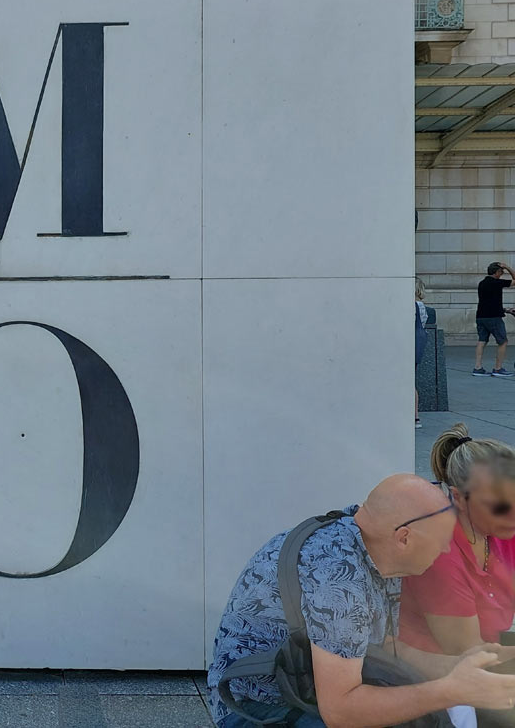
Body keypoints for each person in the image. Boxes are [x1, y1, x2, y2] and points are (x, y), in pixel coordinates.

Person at [208, 474, 515, 727]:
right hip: (257, 709)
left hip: (306, 688)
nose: (446, 550)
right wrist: (449, 690)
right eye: (442, 539)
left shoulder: (377, 544)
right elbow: (342, 712)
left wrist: (456, 666)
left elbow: (386, 649)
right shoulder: (338, 578)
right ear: (404, 538)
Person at [400, 426, 515, 725]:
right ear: (458, 498)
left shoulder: (501, 530)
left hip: (490, 654)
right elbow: (468, 653)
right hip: (444, 673)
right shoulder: (440, 553)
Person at [474, 262, 515, 377]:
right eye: (501, 272)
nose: (502, 274)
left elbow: (488, 302)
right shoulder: (497, 282)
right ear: (497, 272)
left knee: (482, 341)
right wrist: (507, 267)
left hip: (481, 316)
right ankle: (498, 368)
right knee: (503, 341)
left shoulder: (482, 283)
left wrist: (505, 310)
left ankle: (477, 368)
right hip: (494, 318)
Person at [416, 278, 429, 429]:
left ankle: (415, 416)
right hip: (419, 342)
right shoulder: (423, 306)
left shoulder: (414, 306)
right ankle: (415, 416)